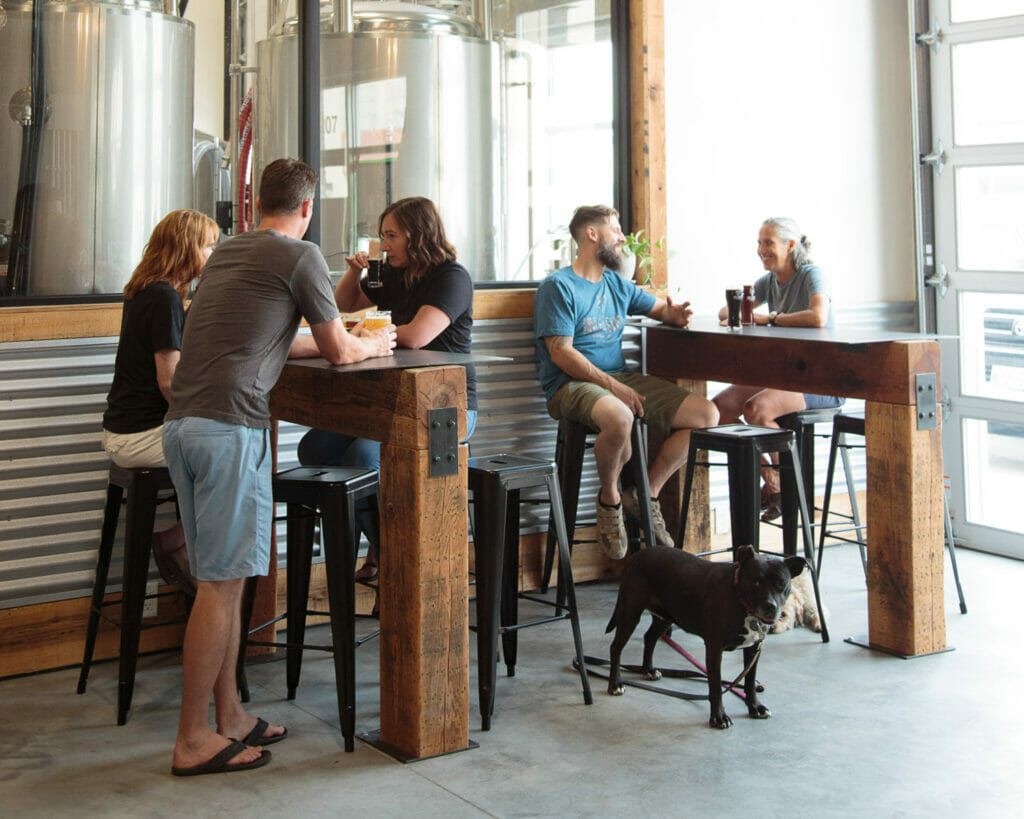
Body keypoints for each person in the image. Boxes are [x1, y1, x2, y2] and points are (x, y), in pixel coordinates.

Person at [161, 158, 396, 777]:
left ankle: (230, 716)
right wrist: (373, 342)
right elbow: (339, 352)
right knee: (220, 584)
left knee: (225, 575)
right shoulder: (302, 257)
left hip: (181, 427)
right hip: (228, 429)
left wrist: (337, 336)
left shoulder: (229, 254)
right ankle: (190, 739)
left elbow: (265, 337)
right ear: (308, 209)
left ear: (256, 202)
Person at [296, 196, 476, 580]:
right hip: (391, 400)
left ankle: (395, 561)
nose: (385, 244)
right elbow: (342, 304)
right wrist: (354, 272)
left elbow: (416, 336)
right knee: (314, 446)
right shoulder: (392, 273)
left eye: (391, 235)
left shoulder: (451, 277)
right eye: (382, 236)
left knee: (362, 456)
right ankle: (381, 546)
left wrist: (363, 336)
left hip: (445, 406)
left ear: (419, 234)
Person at [534, 205, 719, 559]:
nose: (622, 238)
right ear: (592, 234)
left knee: (706, 416)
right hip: (569, 384)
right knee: (621, 416)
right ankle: (610, 498)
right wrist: (615, 387)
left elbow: (660, 310)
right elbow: (561, 353)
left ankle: (646, 493)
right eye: (616, 230)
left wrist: (675, 315)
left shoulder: (617, 284)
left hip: (617, 379)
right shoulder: (558, 287)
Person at [102, 208, 220, 595]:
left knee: (219, 448)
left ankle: (183, 546)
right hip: (140, 436)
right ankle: (173, 543)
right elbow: (170, 384)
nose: (211, 256)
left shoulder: (144, 291)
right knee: (228, 452)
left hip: (122, 430)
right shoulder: (165, 297)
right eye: (207, 247)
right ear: (188, 249)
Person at [712, 216, 843, 521]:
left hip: (822, 380)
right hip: (785, 375)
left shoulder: (811, 274)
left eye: (768, 242)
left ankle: (785, 485)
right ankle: (774, 480)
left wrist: (769, 318)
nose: (761, 250)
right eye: (759, 243)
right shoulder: (768, 282)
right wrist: (738, 311)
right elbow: (724, 313)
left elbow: (818, 316)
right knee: (718, 409)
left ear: (790, 245)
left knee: (756, 408)